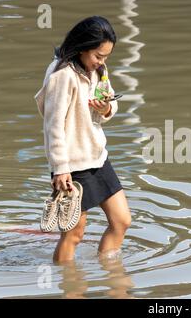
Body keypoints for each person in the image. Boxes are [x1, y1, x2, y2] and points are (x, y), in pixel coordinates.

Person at [34, 16, 131, 263]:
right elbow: (52, 126)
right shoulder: (62, 75)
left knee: (121, 221)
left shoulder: (98, 70)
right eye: (98, 55)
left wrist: (106, 108)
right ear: (82, 46)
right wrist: (60, 169)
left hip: (98, 157)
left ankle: (111, 274)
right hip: (72, 166)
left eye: (106, 57)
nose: (102, 61)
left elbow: (110, 102)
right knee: (74, 234)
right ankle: (69, 286)